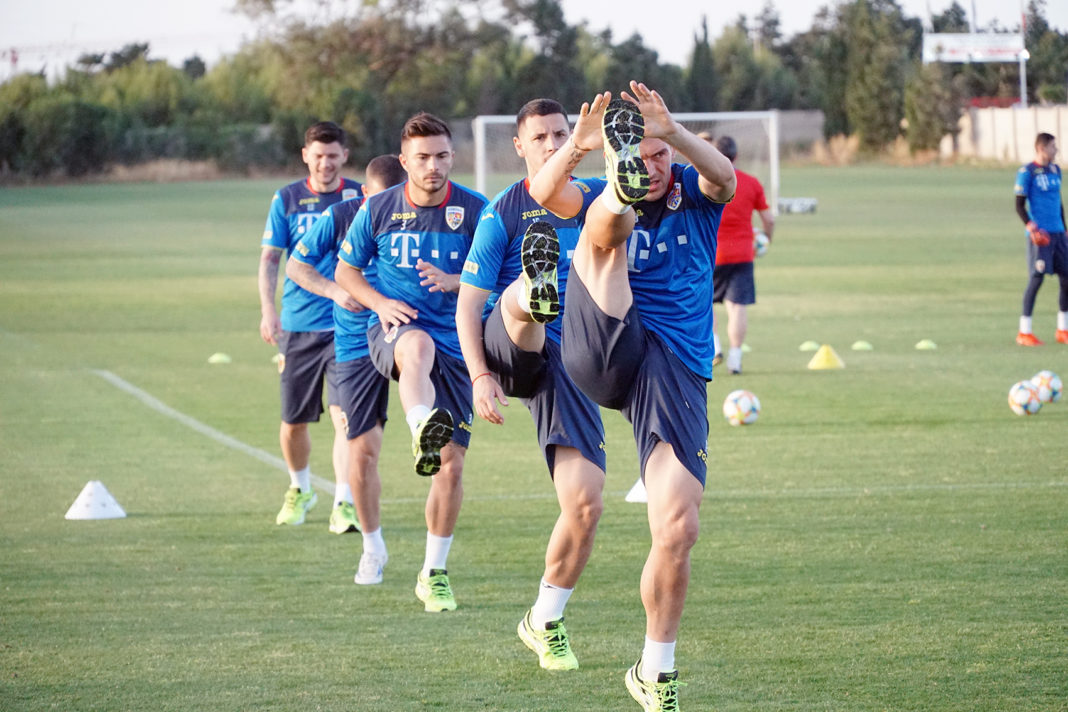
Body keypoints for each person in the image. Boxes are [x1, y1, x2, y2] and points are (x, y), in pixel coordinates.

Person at [529, 81, 736, 711]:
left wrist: (672, 133)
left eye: (654, 159)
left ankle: (655, 670)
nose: (650, 168)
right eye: (635, 158)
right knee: (602, 231)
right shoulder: (596, 188)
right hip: (601, 341)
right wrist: (582, 147)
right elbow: (544, 193)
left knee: (677, 525)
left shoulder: (696, 201)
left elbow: (724, 178)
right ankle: (525, 300)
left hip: (670, 370)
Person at [455, 98, 607, 671]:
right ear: (518, 146)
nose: (550, 143)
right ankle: (533, 287)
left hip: (574, 361)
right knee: (523, 301)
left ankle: (544, 619)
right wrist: (478, 376)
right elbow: (467, 307)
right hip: (511, 345)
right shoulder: (502, 212)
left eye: (560, 134)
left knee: (585, 505)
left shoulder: (594, 200)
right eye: (539, 136)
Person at [335, 112, 488, 612]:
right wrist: (381, 305)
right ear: (404, 162)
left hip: (459, 344)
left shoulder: (476, 210)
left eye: (442, 156)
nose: (433, 167)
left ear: (452, 157)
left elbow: (498, 280)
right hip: (394, 333)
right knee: (415, 344)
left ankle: (433, 571)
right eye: (422, 158)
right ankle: (423, 421)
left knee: (452, 468)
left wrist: (456, 282)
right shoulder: (377, 209)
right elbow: (347, 271)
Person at [285, 155, 408, 585]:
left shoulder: (421, 211)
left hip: (409, 334)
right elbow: (295, 265)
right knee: (363, 451)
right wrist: (336, 291)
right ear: (365, 197)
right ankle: (372, 547)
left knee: (447, 452)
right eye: (382, 202)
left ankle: (435, 566)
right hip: (355, 344)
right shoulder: (340, 216)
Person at [258, 121, 363, 533]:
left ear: (344, 157)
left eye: (333, 155)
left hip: (346, 324)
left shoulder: (360, 197)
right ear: (306, 156)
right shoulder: (286, 199)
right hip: (298, 325)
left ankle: (344, 502)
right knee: (293, 421)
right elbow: (270, 260)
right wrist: (269, 311)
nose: (325, 163)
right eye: (318, 156)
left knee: (344, 419)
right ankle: (300, 488)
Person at [707, 134, 774, 374]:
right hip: (743, 253)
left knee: (706, 303)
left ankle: (714, 348)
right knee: (737, 307)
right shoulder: (751, 182)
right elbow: (769, 218)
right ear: (736, 156)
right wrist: (766, 238)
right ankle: (735, 358)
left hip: (711, 252)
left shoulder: (705, 181)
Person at [1013, 132, 1067, 346]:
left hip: (1058, 233)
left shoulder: (1055, 170)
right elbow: (1019, 204)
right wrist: (1030, 225)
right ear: (1042, 148)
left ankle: (1063, 329)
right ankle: (1024, 331)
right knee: (1037, 279)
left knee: (1067, 279)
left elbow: (1058, 201)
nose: (1057, 151)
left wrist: (1064, 228)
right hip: (1040, 237)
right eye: (1053, 147)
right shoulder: (1027, 172)